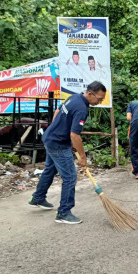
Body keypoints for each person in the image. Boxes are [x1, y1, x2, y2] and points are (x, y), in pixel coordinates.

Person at [29, 81, 107, 224]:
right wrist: (82, 157)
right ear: (90, 94)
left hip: (50, 138)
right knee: (70, 177)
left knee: (50, 170)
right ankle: (64, 212)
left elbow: (58, 111)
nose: (100, 102)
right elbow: (75, 135)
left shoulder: (74, 97)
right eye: (99, 99)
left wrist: (55, 128)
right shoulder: (82, 108)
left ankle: (38, 197)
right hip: (58, 144)